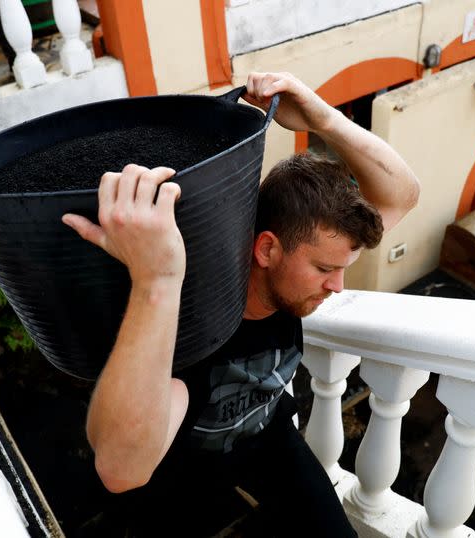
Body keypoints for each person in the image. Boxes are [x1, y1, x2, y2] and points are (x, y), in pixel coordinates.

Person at [61, 71, 420, 537]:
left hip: (267, 434)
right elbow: (120, 468)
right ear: (267, 249)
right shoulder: (196, 323)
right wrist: (156, 277)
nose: (337, 286)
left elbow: (402, 194)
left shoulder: (301, 268)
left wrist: (320, 116)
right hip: (177, 469)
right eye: (325, 269)